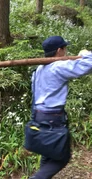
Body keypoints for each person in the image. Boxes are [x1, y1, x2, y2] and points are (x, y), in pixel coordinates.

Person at [28, 36, 92, 179]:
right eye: (65, 48)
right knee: (61, 157)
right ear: (59, 50)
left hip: (39, 115)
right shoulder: (59, 66)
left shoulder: (38, 69)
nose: (66, 51)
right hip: (53, 118)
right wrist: (85, 54)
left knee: (48, 153)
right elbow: (89, 65)